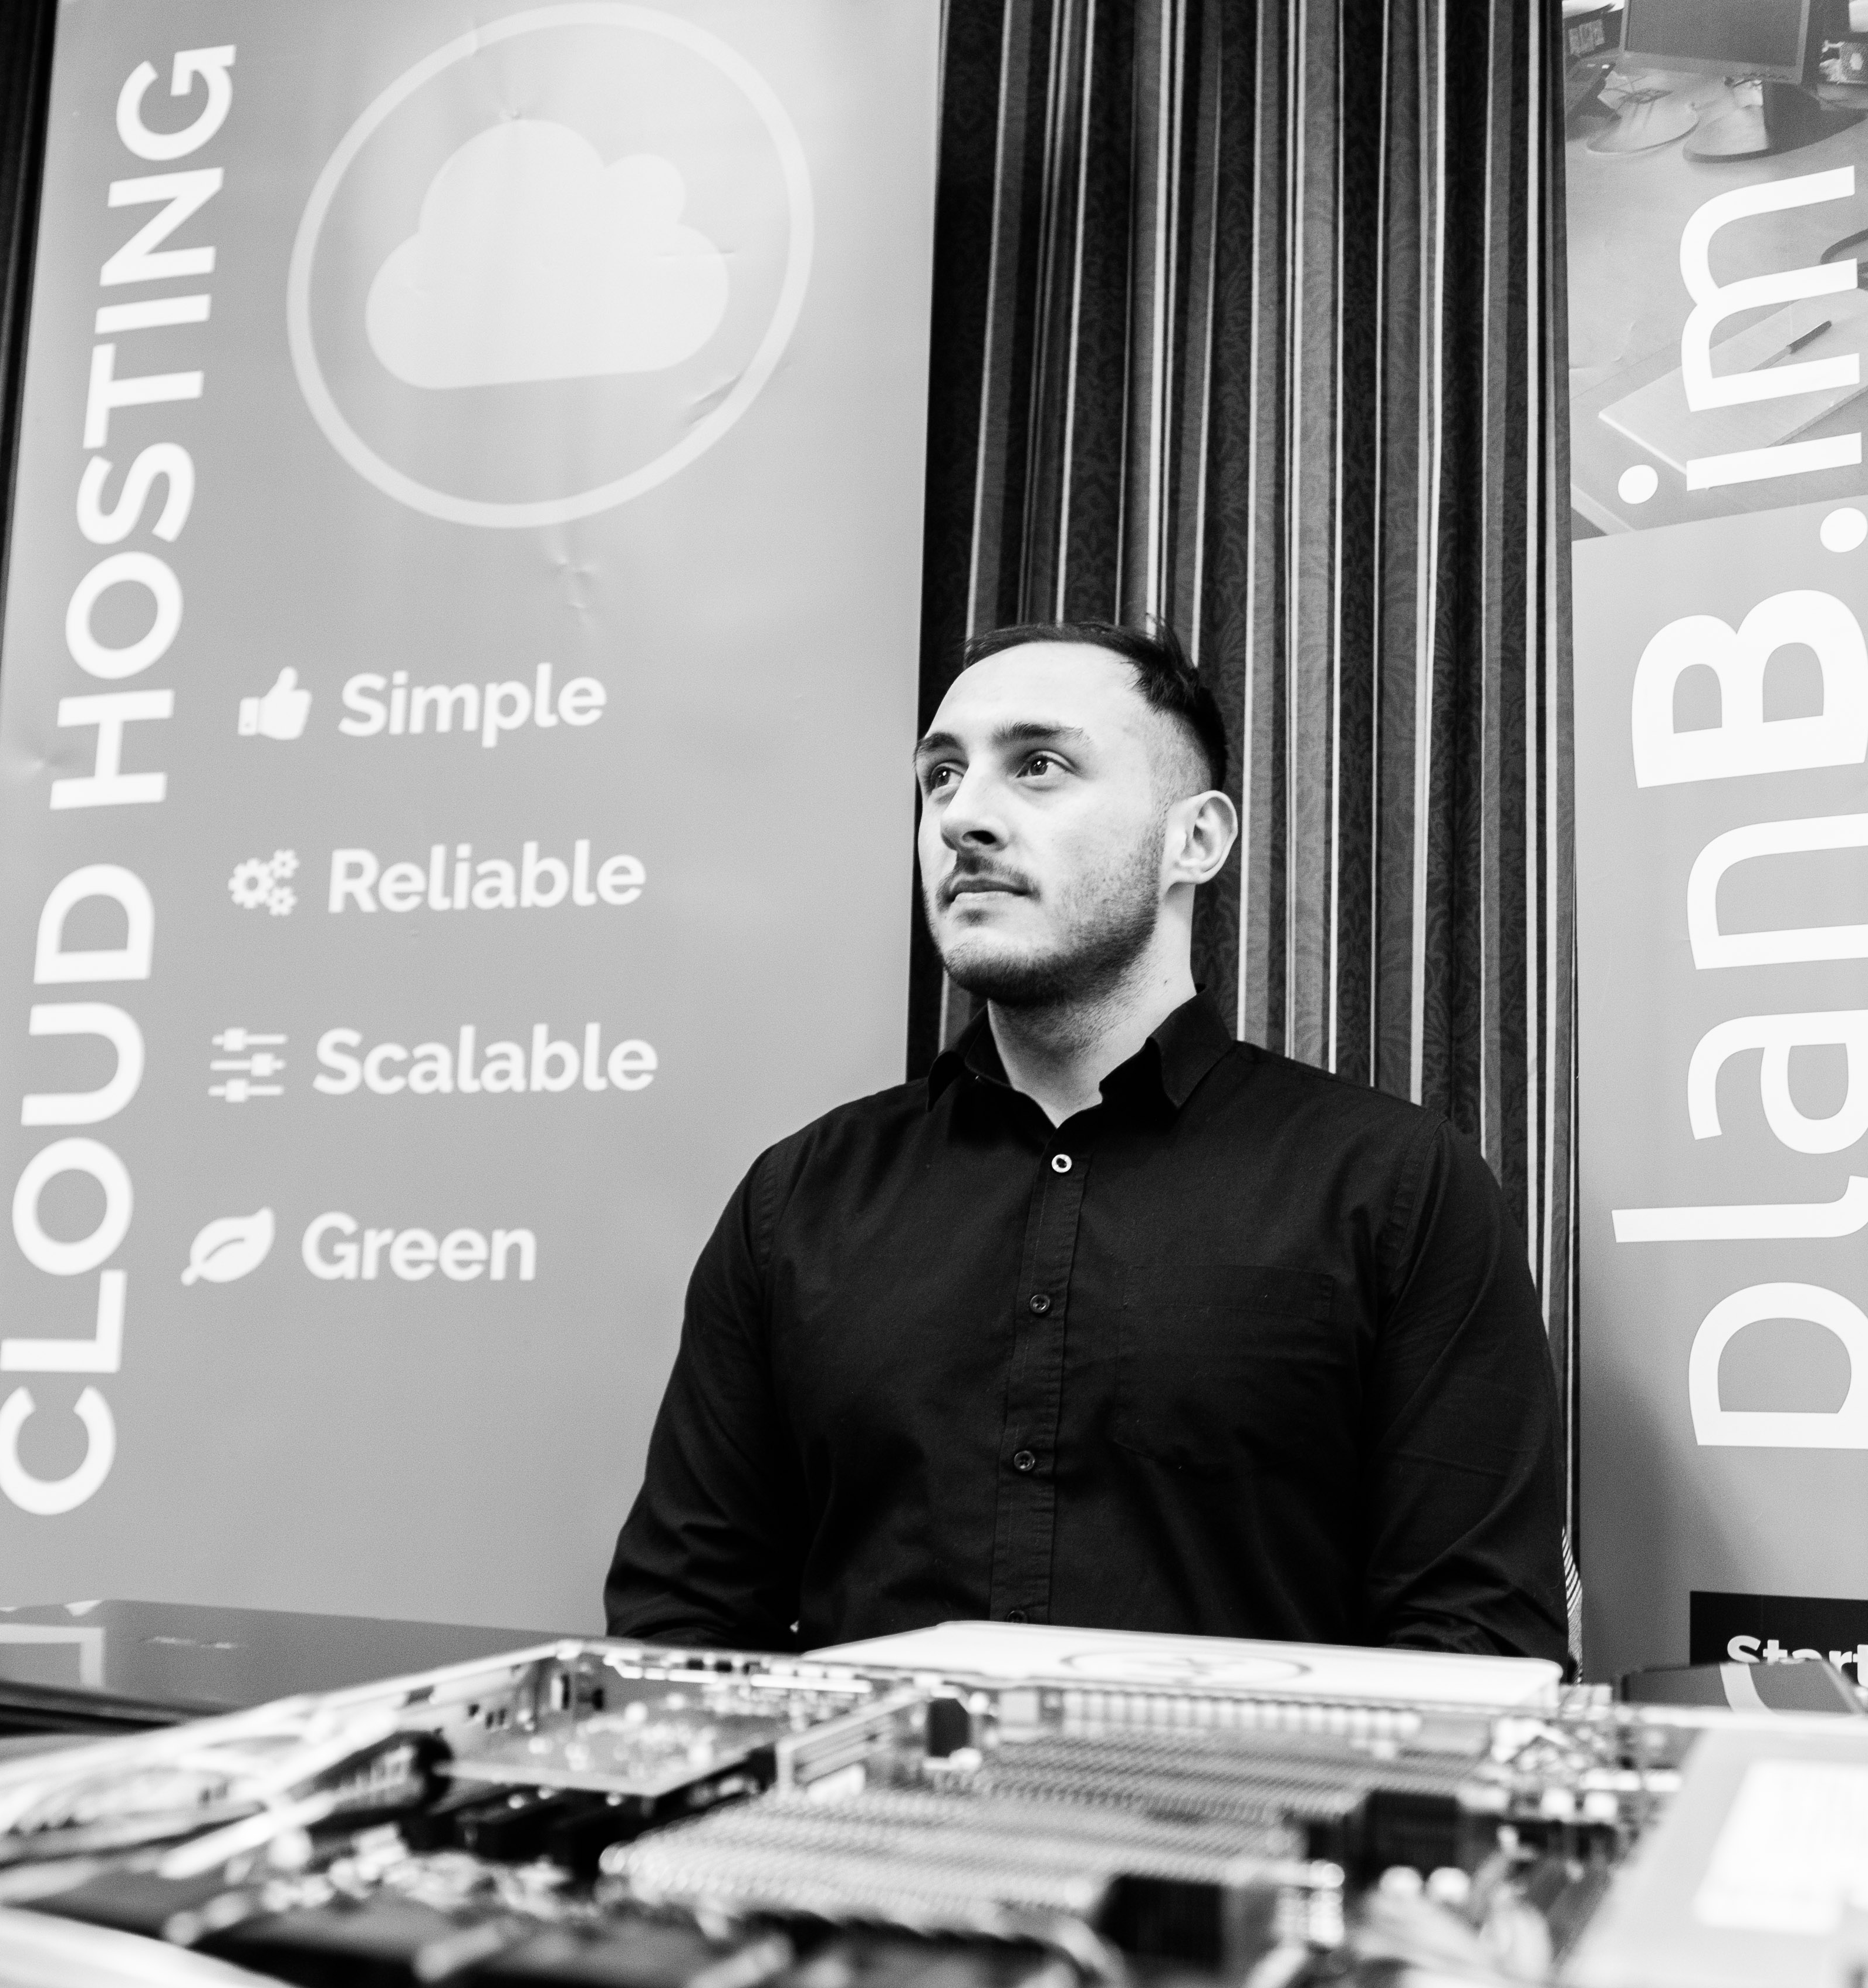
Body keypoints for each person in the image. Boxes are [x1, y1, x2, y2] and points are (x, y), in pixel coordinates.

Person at [606, 619, 1568, 1664]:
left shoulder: (1396, 1188)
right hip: (868, 1780)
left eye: (1040, 767)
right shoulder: (796, 1200)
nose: (964, 816)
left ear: (1195, 840)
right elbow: (682, 1627)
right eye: (940, 777)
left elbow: (1476, 1640)